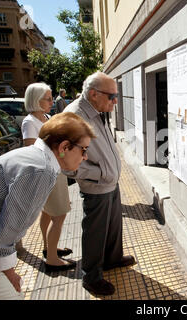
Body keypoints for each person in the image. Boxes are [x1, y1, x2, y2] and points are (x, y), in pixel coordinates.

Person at [0, 112, 96, 300]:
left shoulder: (34, 158)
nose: (85, 157)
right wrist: (10, 274)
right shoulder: (40, 170)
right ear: (64, 147)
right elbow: (3, 236)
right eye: (83, 149)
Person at [64, 71, 135, 296]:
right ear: (94, 94)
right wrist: (100, 173)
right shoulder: (74, 117)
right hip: (97, 185)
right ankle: (91, 277)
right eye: (112, 96)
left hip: (110, 182)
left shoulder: (97, 109)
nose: (116, 101)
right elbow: (66, 163)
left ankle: (112, 259)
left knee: (113, 225)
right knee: (95, 232)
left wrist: (109, 173)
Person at [22, 83, 75, 272]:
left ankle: (48, 248)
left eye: (52, 97)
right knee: (59, 215)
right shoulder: (30, 122)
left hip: (56, 170)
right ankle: (52, 259)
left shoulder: (46, 117)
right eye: (48, 98)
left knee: (47, 212)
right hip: (47, 173)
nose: (52, 101)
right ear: (36, 100)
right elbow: (31, 150)